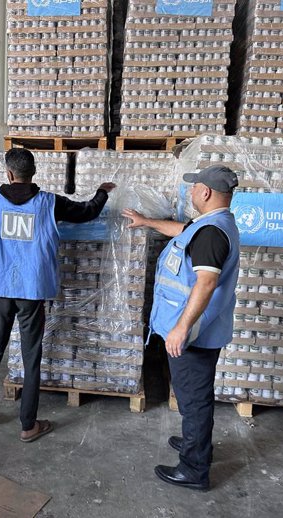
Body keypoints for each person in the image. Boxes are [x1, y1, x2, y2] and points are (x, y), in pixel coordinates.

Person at [0, 148, 116, 442]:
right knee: (31, 355)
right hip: (32, 290)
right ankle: (28, 425)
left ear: (8, 174)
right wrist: (102, 192)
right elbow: (87, 211)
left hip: (1, 287)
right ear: (33, 172)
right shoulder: (49, 202)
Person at [122, 165, 240, 491]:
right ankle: (196, 444)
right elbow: (181, 231)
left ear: (205, 193)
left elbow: (206, 282)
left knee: (195, 399)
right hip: (197, 332)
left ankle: (194, 469)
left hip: (193, 335)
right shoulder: (209, 226)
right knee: (193, 397)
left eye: (194, 188)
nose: (190, 193)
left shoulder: (212, 233)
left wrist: (181, 328)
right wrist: (147, 222)